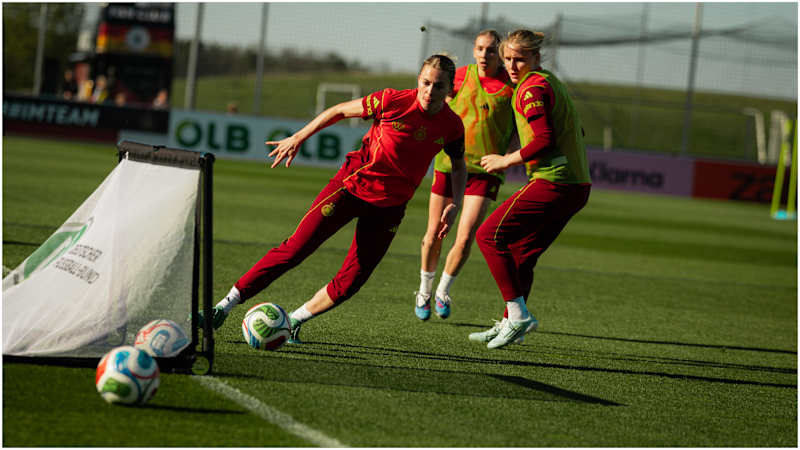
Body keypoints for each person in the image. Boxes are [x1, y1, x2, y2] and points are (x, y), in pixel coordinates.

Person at [199, 55, 467, 344]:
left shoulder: (452, 126)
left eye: (438, 86)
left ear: (450, 89)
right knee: (295, 250)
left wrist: (456, 203)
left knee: (353, 280)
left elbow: (459, 164)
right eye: (425, 83)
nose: (430, 91)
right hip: (350, 188)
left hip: (390, 208)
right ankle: (223, 307)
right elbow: (339, 110)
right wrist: (298, 137)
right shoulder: (391, 100)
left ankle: (295, 320)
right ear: (418, 80)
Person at [470, 29, 591, 349]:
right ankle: (513, 323)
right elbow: (575, 128)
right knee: (522, 253)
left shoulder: (529, 90)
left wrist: (505, 160)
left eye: (519, 59)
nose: (511, 65)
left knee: (487, 235)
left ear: (536, 58)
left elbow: (543, 139)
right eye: (507, 58)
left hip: (555, 182)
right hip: (576, 185)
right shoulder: (548, 81)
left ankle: (518, 316)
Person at [415, 30, 515, 321]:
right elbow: (431, 102)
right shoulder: (458, 77)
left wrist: (507, 158)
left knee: (466, 235)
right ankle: (424, 291)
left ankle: (443, 291)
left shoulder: (511, 86)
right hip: (449, 163)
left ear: (501, 54)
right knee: (433, 232)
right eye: (481, 49)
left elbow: (519, 128)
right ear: (473, 51)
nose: (486, 55)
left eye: (492, 50)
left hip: (485, 170)